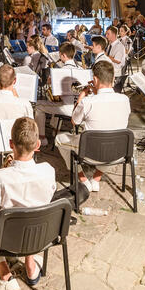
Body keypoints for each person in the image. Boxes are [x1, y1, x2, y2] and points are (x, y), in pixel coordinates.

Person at [0, 117, 58, 290]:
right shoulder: (48, 171)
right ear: (37, 145)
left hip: (7, 240)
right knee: (32, 212)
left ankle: (5, 276)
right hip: (40, 234)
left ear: (11, 144)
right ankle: (31, 266)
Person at [55, 61, 130, 192]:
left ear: (94, 79)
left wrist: (81, 96)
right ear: (113, 78)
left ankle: (83, 179)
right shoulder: (125, 99)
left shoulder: (87, 101)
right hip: (119, 152)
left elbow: (74, 121)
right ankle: (96, 179)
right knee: (110, 138)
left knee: (59, 138)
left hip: (91, 153)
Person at [34, 42, 81, 143]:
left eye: (60, 55)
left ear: (63, 55)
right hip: (80, 107)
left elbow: (55, 91)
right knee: (56, 103)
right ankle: (55, 130)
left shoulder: (60, 71)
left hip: (67, 108)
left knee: (38, 105)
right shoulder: (81, 69)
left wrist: (50, 80)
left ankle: (42, 138)